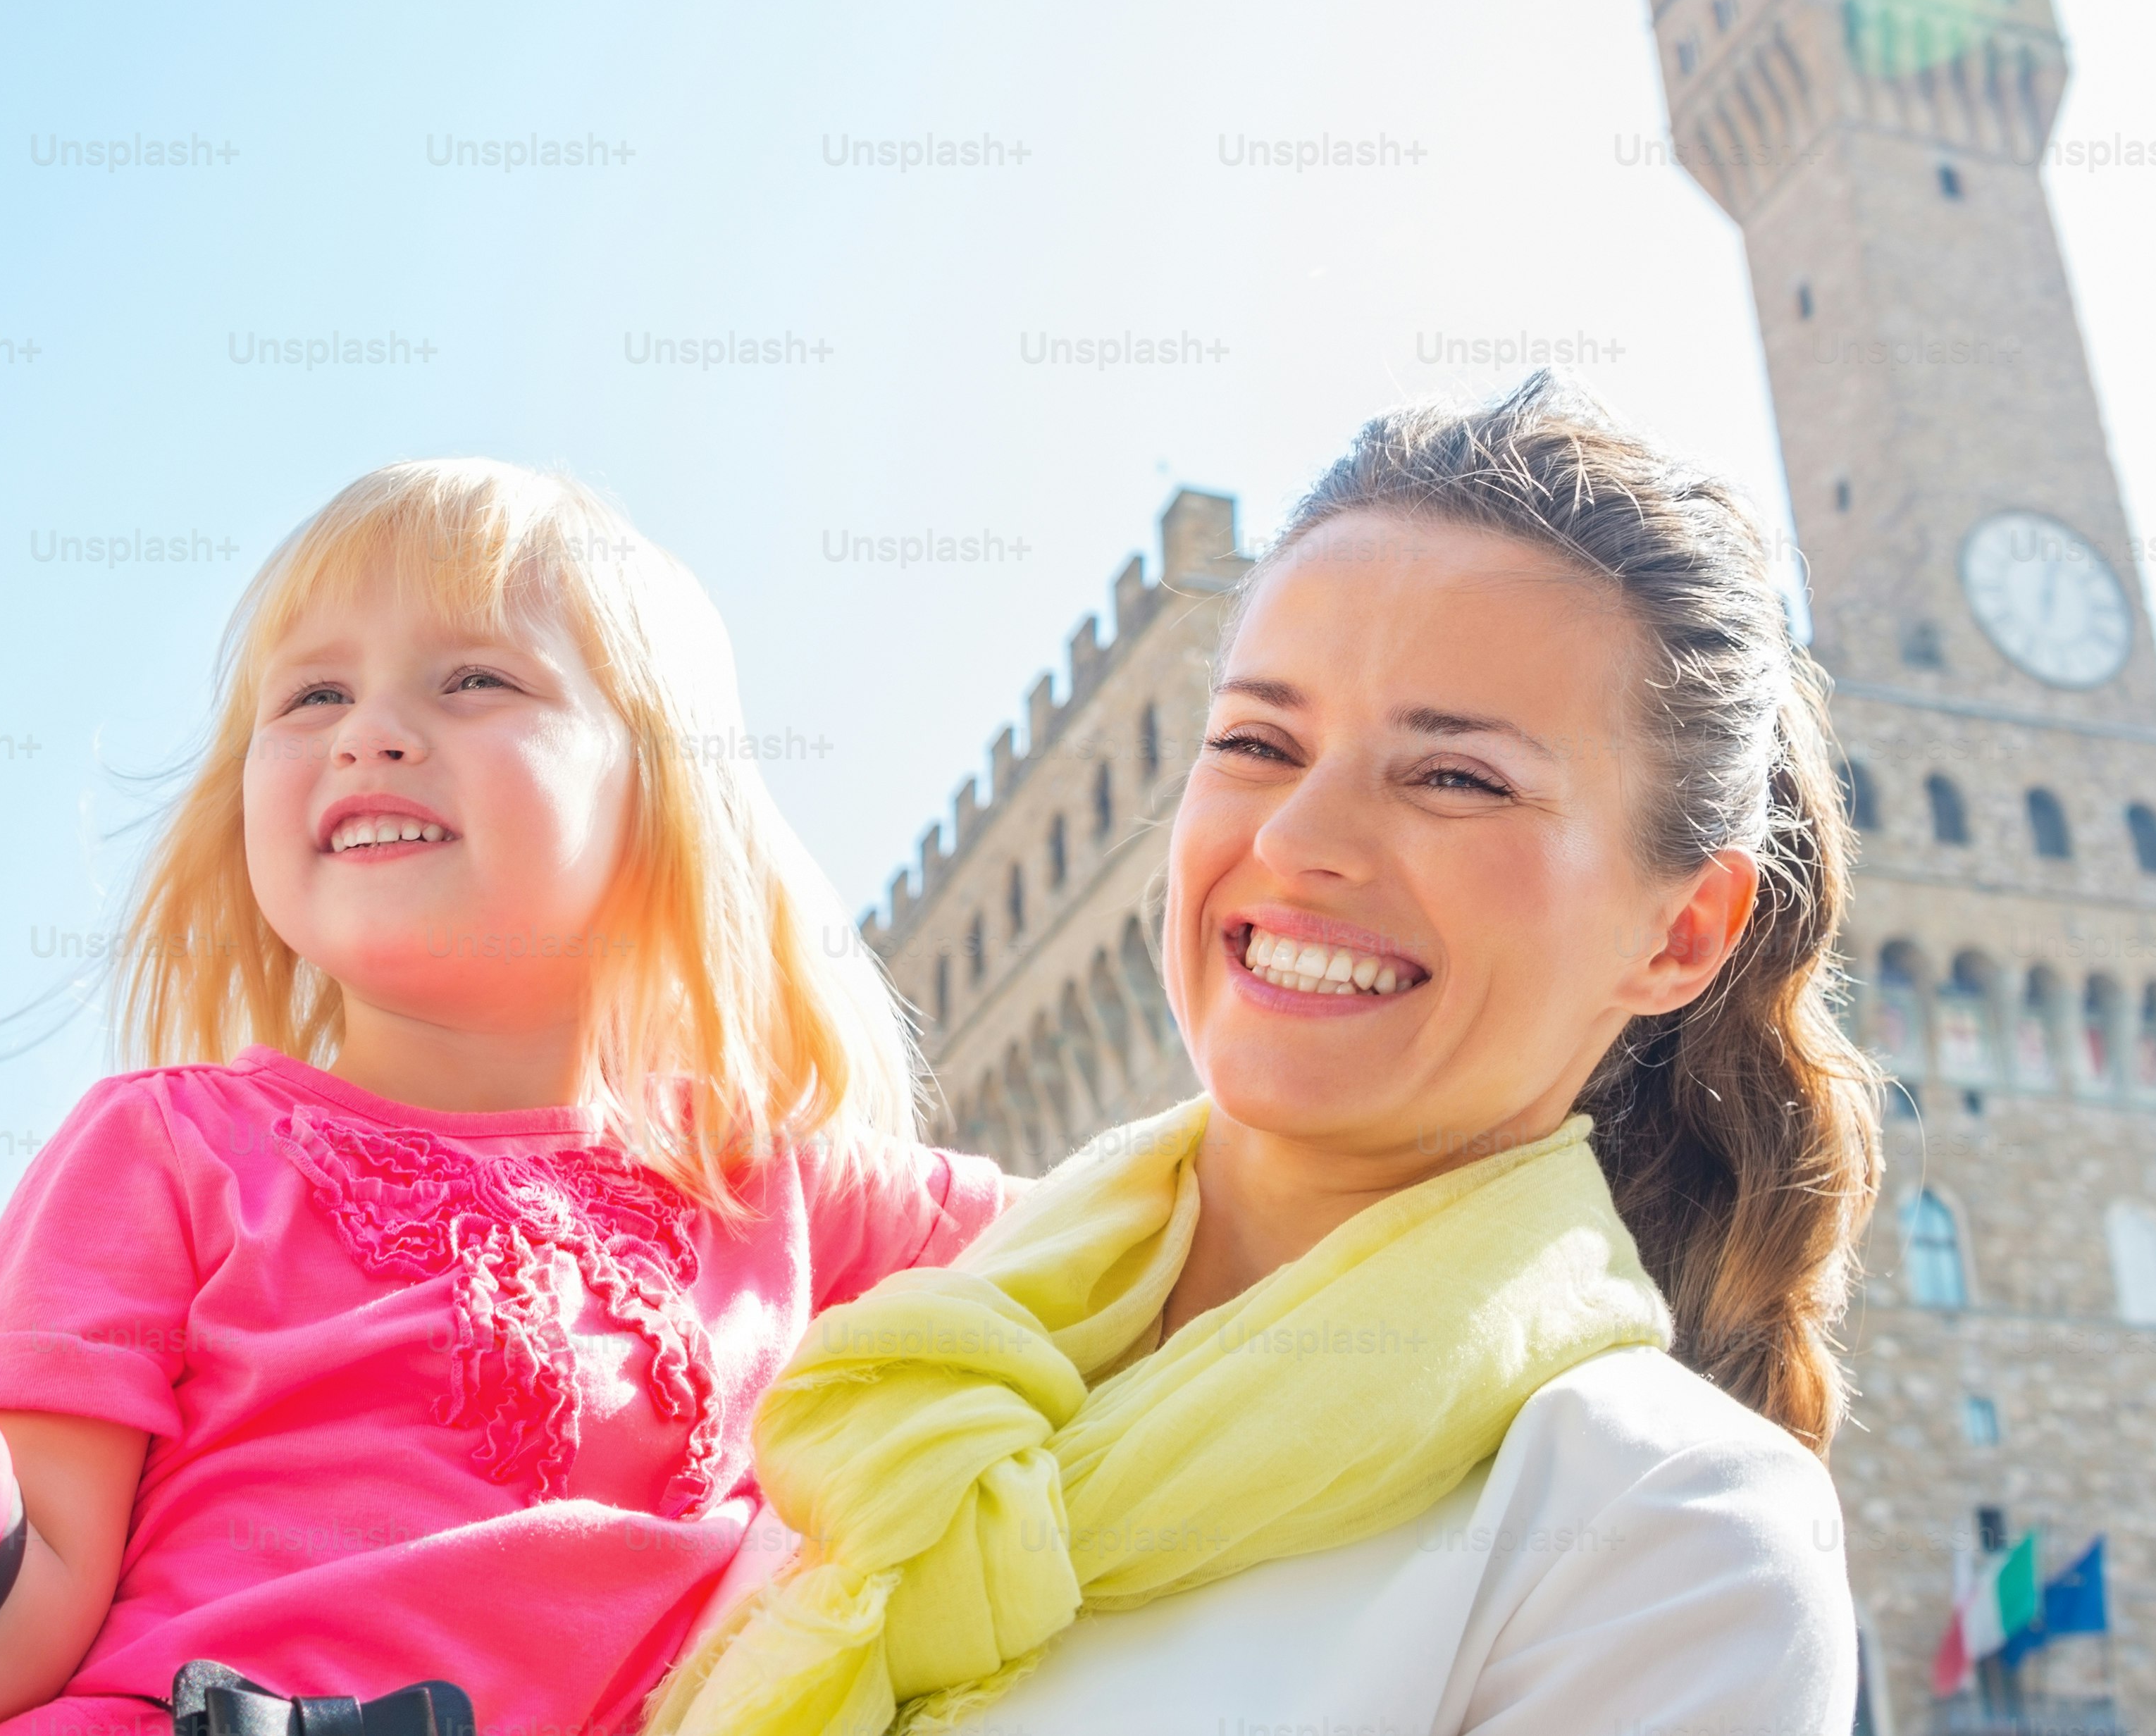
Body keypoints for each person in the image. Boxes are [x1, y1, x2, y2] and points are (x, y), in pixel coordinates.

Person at [0, 459, 1002, 1736]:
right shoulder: (174, 1149)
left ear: (666, 802)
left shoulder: (785, 1187)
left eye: (474, 677)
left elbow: (1184, 1220)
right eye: (313, 694)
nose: (369, 730)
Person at [658, 375, 1881, 1736]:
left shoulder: (1670, 1544)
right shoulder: (892, 1375)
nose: (1297, 839)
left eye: (1455, 776)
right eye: (1255, 742)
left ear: (1681, 932)